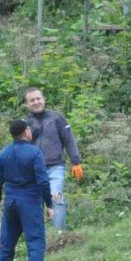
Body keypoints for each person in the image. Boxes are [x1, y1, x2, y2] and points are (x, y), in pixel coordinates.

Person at [0, 117, 52, 261]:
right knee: (35, 239)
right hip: (30, 201)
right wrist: (49, 204)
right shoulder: (34, 153)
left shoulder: (3, 153)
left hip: (10, 201)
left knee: (7, 242)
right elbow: (43, 181)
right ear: (26, 131)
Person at [22, 88, 83, 233]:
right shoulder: (25, 123)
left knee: (56, 199)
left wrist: (76, 162)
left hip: (56, 167)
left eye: (38, 99)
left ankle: (58, 235)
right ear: (26, 104)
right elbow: (20, 148)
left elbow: (69, 140)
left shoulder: (57, 118)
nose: (36, 102)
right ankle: (38, 239)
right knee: (35, 205)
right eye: (32, 100)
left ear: (44, 99)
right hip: (33, 171)